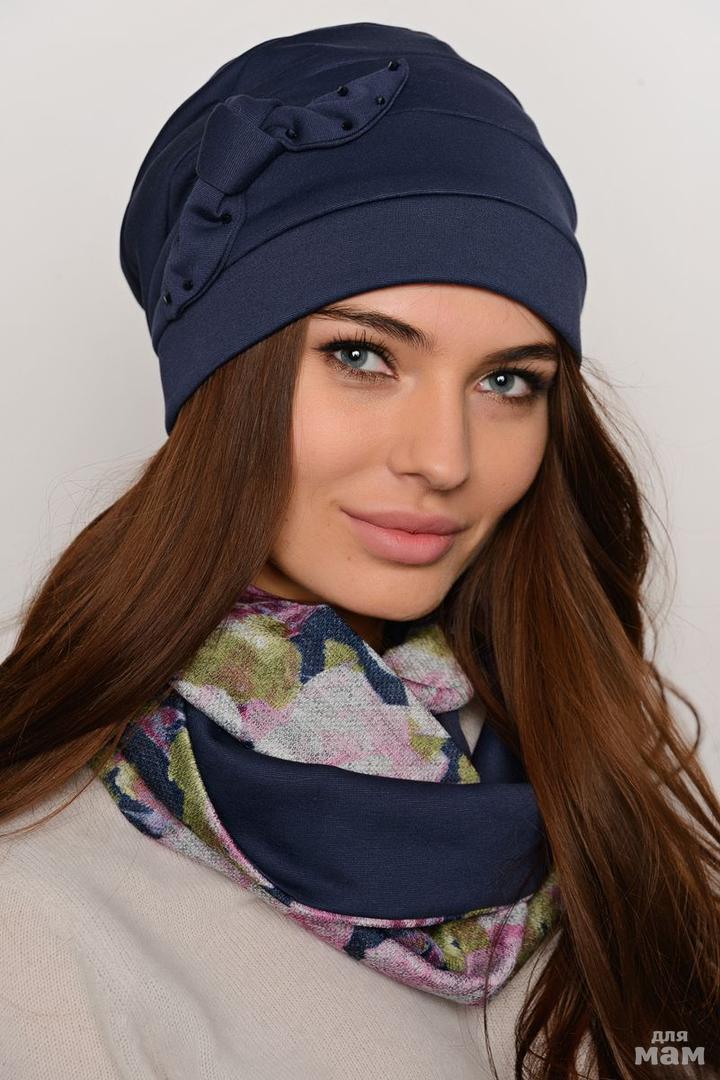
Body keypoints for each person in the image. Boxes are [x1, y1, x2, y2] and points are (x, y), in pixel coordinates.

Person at [1, 20, 718, 1080]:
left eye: (508, 381)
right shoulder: (40, 918)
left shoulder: (603, 790)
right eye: (362, 356)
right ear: (224, 383)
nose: (445, 459)